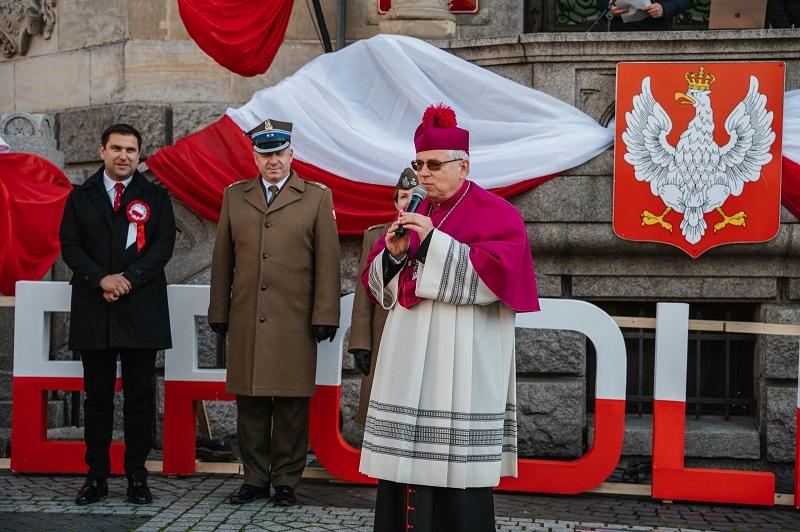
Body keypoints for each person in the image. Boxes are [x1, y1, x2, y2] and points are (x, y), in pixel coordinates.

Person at [358, 104, 540, 531]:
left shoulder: (498, 214)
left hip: (462, 361)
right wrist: (393, 256)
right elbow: (376, 286)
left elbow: (498, 279)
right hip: (408, 357)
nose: (423, 173)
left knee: (458, 477)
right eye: (418, 163)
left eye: (434, 164)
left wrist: (430, 245)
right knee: (402, 472)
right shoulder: (414, 215)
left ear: (464, 166)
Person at [208, 118, 341, 506]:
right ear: (254, 157)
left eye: (280, 153)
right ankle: (253, 479)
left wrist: (325, 314)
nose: (274, 161)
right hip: (247, 316)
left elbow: (328, 262)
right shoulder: (235, 196)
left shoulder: (316, 197)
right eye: (266, 154)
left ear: (292, 154)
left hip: (295, 320)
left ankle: (285, 480)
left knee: (291, 405)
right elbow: (222, 260)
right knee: (249, 402)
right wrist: (220, 310)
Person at [60, 123, 176, 505]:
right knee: (97, 399)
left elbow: (162, 246)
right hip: (96, 309)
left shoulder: (155, 198)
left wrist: (127, 279)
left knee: (140, 398)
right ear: (102, 151)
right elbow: (70, 247)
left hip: (141, 309)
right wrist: (102, 279)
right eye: (116, 148)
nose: (124, 155)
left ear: (139, 155)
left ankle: (137, 477)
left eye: (131, 149)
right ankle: (96, 477)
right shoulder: (80, 197)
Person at [348, 168, 416, 425]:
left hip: (419, 329)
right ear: (395, 202)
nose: (407, 202)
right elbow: (363, 294)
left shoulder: (436, 234)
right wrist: (360, 343)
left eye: (414, 195)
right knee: (381, 409)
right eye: (402, 197)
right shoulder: (376, 235)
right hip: (383, 332)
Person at [596, 0, 693, 31]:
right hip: (621, 32)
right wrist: (609, 7)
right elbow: (602, 2)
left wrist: (664, 8)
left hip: (658, 31)